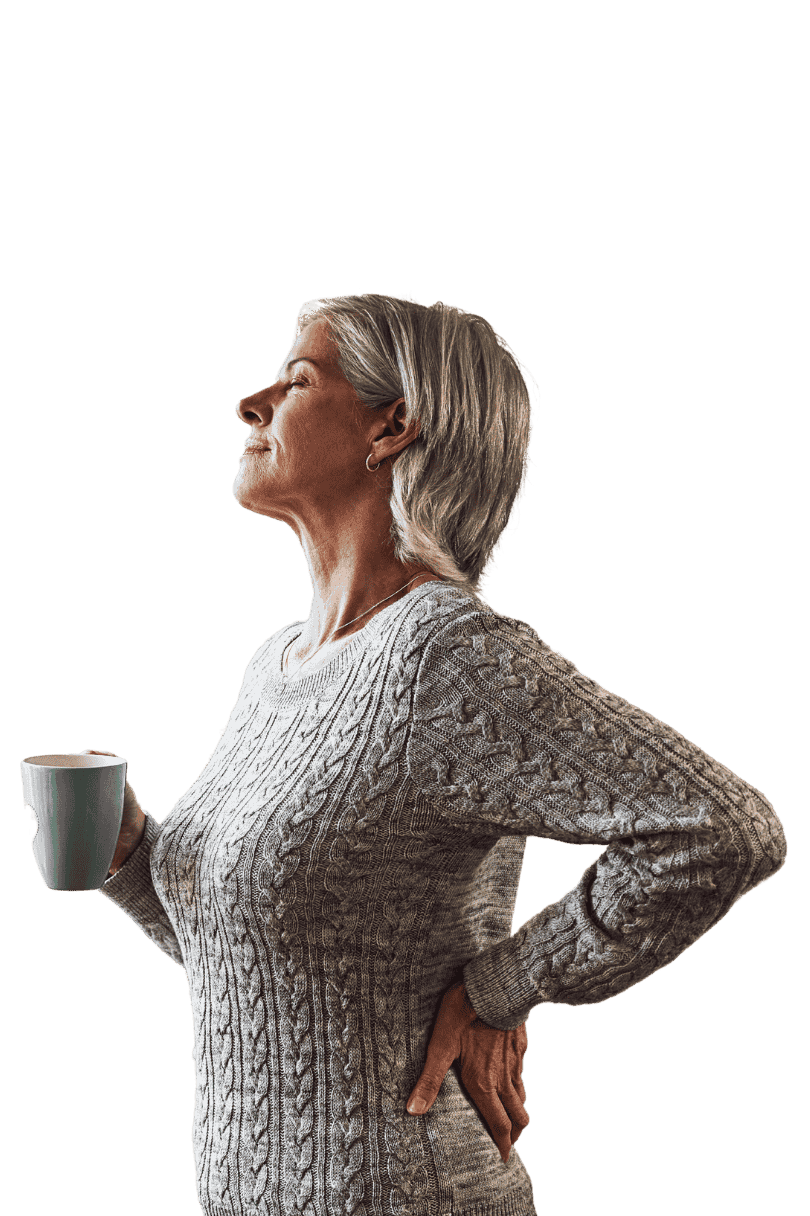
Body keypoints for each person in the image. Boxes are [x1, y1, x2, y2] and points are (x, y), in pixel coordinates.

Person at [86, 292, 787, 1216]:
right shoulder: (278, 664)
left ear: (395, 426)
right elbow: (270, 969)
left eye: (296, 379)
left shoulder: (444, 657)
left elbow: (724, 829)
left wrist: (505, 984)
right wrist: (133, 857)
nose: (250, 403)